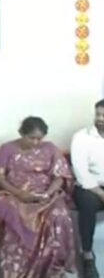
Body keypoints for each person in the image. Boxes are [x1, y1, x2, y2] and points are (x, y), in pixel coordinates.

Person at [0, 116, 75, 278]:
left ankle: (53, 271)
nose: (36, 142)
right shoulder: (7, 149)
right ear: (21, 133)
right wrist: (19, 194)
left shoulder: (50, 148)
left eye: (39, 139)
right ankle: (17, 271)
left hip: (46, 195)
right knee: (10, 211)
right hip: (14, 194)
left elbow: (59, 176)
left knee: (60, 215)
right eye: (32, 138)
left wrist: (48, 193)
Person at [71, 99, 104, 278]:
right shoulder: (81, 137)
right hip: (89, 186)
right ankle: (88, 255)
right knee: (87, 205)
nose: (100, 119)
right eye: (98, 114)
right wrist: (100, 192)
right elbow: (81, 171)